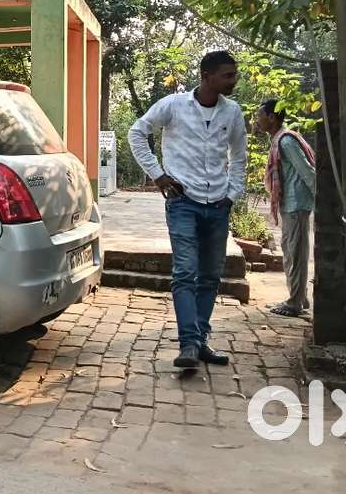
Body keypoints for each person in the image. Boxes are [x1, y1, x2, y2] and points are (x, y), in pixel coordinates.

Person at [128, 50, 247, 368]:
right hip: (183, 202)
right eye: (227, 75)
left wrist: (232, 194)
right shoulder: (174, 105)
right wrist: (158, 174)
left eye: (234, 74)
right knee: (185, 273)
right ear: (206, 77)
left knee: (210, 276)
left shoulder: (232, 112)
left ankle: (199, 341)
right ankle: (189, 344)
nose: (233, 80)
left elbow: (239, 155)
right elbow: (137, 133)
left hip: (218, 204)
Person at [255, 99, 316, 317]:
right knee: (291, 252)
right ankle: (300, 298)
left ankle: (294, 304)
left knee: (296, 253)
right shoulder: (278, 139)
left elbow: (308, 172)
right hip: (289, 203)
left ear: (272, 117)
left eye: (259, 115)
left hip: (296, 203)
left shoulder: (286, 141)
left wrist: (324, 202)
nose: (257, 120)